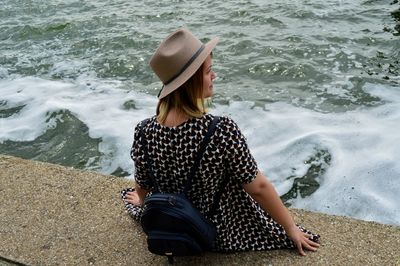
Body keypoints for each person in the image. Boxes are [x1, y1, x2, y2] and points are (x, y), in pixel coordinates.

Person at [121, 28, 320, 256]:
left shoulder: (144, 130)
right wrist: (290, 228)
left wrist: (141, 199)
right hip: (216, 231)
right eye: (208, 71)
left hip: (173, 223)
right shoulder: (220, 130)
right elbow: (258, 187)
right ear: (191, 81)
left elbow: (143, 185)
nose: (214, 76)